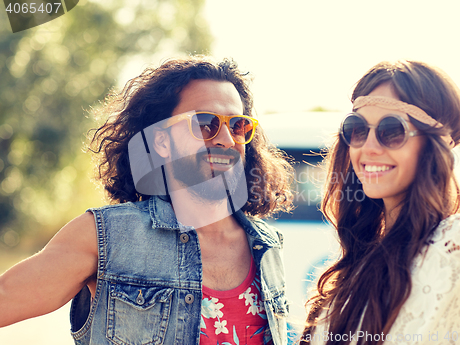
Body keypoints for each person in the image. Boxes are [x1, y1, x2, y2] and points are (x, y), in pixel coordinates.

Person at [0, 56, 295, 345]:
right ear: (162, 142)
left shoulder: (267, 246)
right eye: (205, 124)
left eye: (237, 126)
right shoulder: (105, 237)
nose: (226, 140)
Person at [301, 60, 460, 345]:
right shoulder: (353, 265)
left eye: (391, 131)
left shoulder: (457, 247)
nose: (368, 147)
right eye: (357, 129)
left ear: (435, 145)